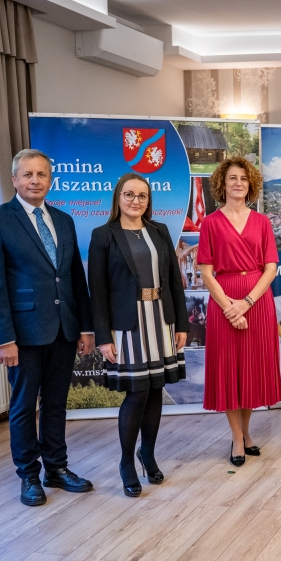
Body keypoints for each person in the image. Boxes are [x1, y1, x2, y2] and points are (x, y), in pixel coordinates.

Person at [0, 149, 95, 506]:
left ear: (50, 180)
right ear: (14, 179)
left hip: (64, 330)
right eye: (27, 174)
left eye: (41, 174)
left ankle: (56, 468)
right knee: (24, 407)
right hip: (22, 335)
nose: (35, 180)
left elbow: (74, 279)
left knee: (56, 404)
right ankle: (28, 475)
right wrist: (3, 339)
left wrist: (86, 328)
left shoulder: (64, 220)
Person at [88, 174, 189, 497]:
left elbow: (175, 281)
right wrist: (103, 336)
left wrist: (182, 324)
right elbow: (97, 291)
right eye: (129, 194)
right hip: (127, 324)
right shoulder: (103, 235)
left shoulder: (160, 231)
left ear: (149, 200)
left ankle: (148, 454)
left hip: (161, 318)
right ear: (118, 197)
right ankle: (126, 462)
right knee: (137, 393)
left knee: (155, 388)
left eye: (142, 196)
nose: (136, 201)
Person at [198, 157, 281, 466]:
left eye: (244, 179)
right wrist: (229, 308)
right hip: (224, 299)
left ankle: (247, 433)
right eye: (233, 178)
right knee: (229, 371)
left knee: (250, 370)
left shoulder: (262, 222)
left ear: (251, 185)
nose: (238, 183)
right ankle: (236, 438)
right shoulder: (210, 222)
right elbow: (206, 272)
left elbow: (271, 268)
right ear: (223, 183)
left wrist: (245, 303)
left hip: (257, 301)